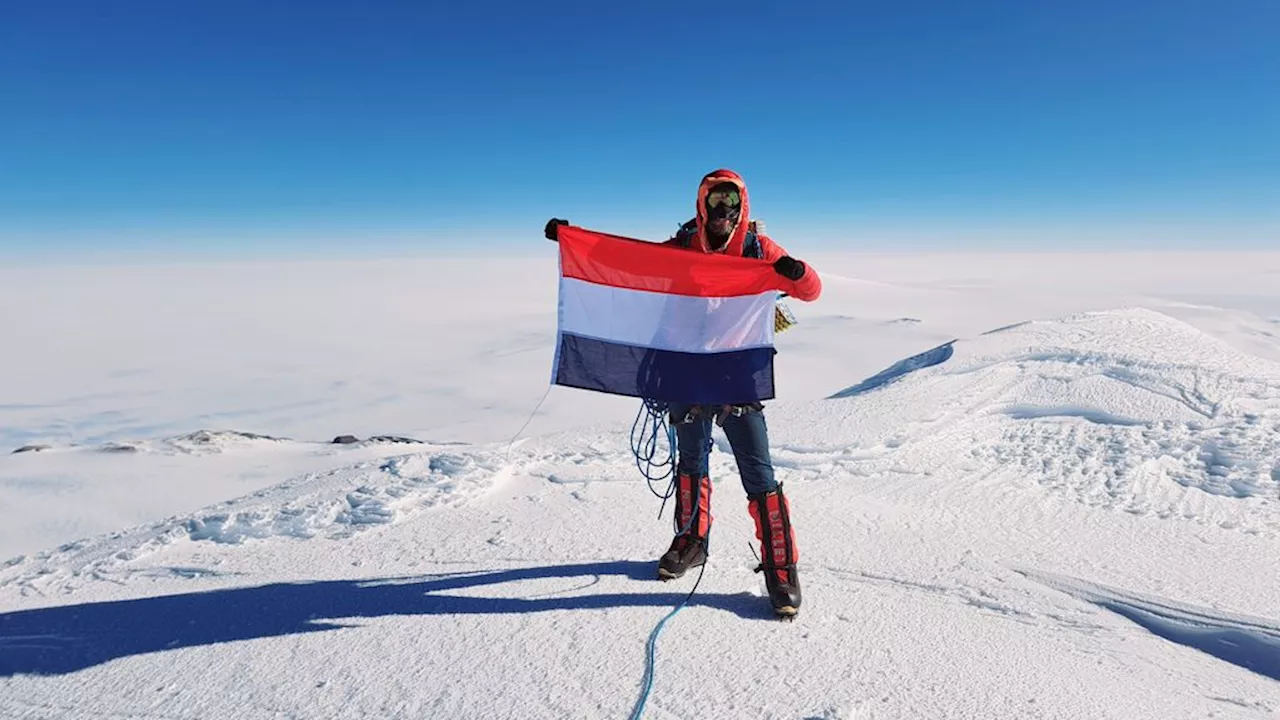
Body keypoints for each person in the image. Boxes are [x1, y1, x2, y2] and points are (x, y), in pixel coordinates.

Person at [544, 168, 822, 617]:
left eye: (731, 202)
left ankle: (781, 567)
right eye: (715, 200)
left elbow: (810, 291)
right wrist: (572, 240)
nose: (723, 211)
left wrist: (797, 271)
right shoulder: (682, 247)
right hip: (687, 371)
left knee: (759, 473)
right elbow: (631, 262)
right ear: (703, 203)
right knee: (691, 464)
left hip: (736, 375)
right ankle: (692, 543)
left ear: (742, 206)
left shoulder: (759, 250)